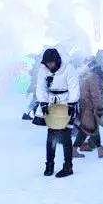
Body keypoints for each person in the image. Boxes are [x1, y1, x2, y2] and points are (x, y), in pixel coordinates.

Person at [36, 48, 81, 178]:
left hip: (65, 102)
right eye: (47, 63)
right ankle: (49, 165)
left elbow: (74, 86)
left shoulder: (68, 68)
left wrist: (72, 103)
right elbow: (40, 86)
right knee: (51, 136)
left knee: (65, 136)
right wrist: (43, 102)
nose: (50, 66)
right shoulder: (43, 69)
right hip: (51, 103)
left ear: (57, 60)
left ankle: (68, 166)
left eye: (51, 63)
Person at [74, 59, 103, 159]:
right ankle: (100, 150)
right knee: (90, 128)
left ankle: (97, 149)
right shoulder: (94, 79)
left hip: (85, 106)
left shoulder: (91, 76)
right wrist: (99, 108)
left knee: (88, 129)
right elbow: (96, 96)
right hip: (89, 107)